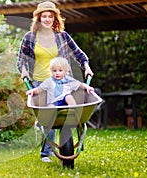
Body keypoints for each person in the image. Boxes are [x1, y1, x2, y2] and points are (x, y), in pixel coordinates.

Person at [16, 1, 94, 163]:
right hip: (40, 82)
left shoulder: (62, 36)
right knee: (49, 117)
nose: (47, 19)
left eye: (50, 16)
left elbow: (79, 53)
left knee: (64, 115)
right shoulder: (30, 37)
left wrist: (86, 66)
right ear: (38, 18)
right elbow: (21, 60)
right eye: (44, 16)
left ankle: (62, 144)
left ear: (54, 18)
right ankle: (46, 153)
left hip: (62, 81)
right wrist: (23, 70)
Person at [26, 57, 94, 106]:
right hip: (53, 102)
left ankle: (73, 109)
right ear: (51, 71)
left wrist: (87, 87)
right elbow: (39, 89)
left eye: (60, 70)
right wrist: (32, 91)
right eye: (54, 71)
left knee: (68, 97)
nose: (57, 73)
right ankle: (49, 120)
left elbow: (80, 85)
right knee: (50, 107)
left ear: (65, 71)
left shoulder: (68, 80)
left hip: (65, 102)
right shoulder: (49, 81)